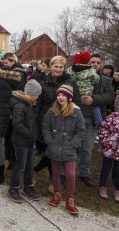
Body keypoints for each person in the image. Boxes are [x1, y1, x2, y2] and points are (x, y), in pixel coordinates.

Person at [34, 56, 80, 191]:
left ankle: (54, 181)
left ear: (64, 68)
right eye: (56, 66)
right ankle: (36, 174)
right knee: (46, 150)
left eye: (61, 67)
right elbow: (39, 103)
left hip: (63, 121)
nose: (58, 69)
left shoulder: (71, 82)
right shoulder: (43, 82)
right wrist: (36, 120)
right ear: (51, 66)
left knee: (54, 153)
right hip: (45, 120)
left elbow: (76, 101)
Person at [42, 84, 86, 215]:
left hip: (69, 148)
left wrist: (73, 143)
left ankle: (70, 199)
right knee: (55, 173)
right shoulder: (52, 111)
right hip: (54, 147)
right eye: (59, 95)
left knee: (70, 175)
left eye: (64, 95)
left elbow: (81, 131)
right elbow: (45, 127)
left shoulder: (76, 112)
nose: (61, 97)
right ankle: (57, 194)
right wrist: (49, 141)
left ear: (69, 97)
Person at [78, 53, 114, 186]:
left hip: (94, 119)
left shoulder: (106, 80)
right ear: (88, 63)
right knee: (73, 146)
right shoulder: (80, 76)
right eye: (92, 62)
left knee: (87, 148)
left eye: (98, 63)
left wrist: (94, 99)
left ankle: (83, 173)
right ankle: (65, 173)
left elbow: (110, 97)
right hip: (78, 115)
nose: (95, 65)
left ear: (101, 64)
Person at [8, 79, 42, 203]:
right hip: (21, 141)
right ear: (32, 94)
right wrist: (29, 134)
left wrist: (33, 135)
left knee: (30, 165)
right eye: (37, 95)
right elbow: (17, 124)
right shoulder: (20, 106)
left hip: (29, 141)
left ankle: (28, 187)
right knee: (20, 165)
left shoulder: (28, 105)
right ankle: (14, 188)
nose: (38, 98)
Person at [67, 51, 101, 127]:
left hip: (75, 94)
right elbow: (96, 79)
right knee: (95, 107)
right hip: (87, 93)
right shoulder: (91, 70)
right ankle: (98, 122)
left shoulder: (70, 69)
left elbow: (68, 78)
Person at [97, 112, 119, 202]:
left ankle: (117, 189)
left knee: (118, 170)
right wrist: (105, 141)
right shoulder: (113, 116)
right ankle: (102, 186)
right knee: (106, 167)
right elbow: (103, 128)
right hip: (109, 148)